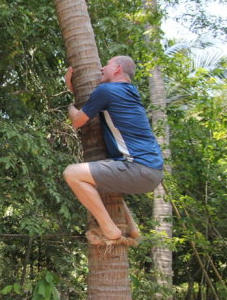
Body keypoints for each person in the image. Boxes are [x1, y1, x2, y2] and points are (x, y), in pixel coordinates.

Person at [63, 56, 163, 242]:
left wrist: (70, 104)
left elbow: (78, 120)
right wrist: (73, 88)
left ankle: (110, 230)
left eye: (106, 65)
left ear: (117, 69)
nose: (102, 68)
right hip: (152, 172)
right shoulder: (129, 91)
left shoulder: (107, 90)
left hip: (138, 169)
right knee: (101, 175)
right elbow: (94, 103)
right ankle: (132, 228)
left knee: (72, 173)